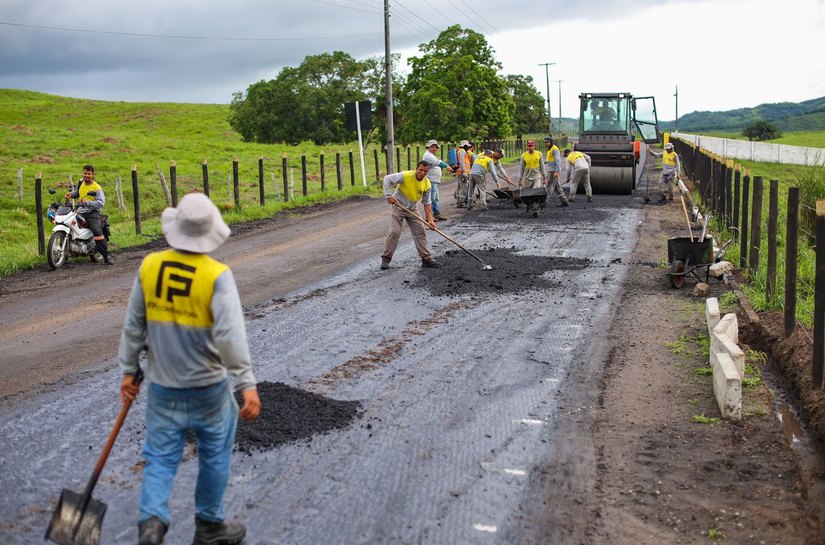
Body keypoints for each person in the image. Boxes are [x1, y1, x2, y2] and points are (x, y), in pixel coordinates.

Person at [118, 192, 261, 545]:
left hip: (163, 388)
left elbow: (134, 325)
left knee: (160, 458)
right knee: (214, 455)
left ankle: (151, 525)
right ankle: (210, 527)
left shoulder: (149, 266)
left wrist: (127, 369)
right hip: (208, 390)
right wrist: (246, 382)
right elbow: (230, 336)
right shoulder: (217, 276)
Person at [380, 161, 442, 270]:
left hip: (412, 209)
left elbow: (427, 203)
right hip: (398, 206)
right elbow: (387, 179)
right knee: (394, 232)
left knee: (420, 231)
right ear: (417, 169)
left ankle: (426, 258)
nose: (422, 173)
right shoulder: (406, 176)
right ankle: (386, 259)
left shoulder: (427, 184)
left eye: (425, 171)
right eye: (421, 170)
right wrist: (388, 196)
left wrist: (431, 220)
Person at [64, 164, 114, 264]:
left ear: (93, 174)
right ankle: (68, 250)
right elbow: (78, 193)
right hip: (80, 210)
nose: (86, 175)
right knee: (69, 224)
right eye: (85, 173)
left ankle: (106, 256)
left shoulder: (97, 187)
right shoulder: (81, 181)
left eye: (89, 174)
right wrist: (71, 195)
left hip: (93, 212)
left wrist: (87, 203)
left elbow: (101, 203)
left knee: (97, 232)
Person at [421, 139, 454, 221]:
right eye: (433, 146)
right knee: (431, 198)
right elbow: (438, 162)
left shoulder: (431, 155)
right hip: (431, 180)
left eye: (436, 147)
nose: (435, 148)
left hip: (434, 180)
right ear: (428, 147)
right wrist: (447, 166)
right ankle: (429, 216)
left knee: (435, 198)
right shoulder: (428, 156)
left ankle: (436, 214)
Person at [544, 136, 569, 206]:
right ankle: (565, 202)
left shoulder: (555, 149)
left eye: (547, 142)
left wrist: (557, 171)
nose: (546, 144)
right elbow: (552, 159)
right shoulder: (550, 149)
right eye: (545, 142)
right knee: (557, 187)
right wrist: (547, 162)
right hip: (551, 170)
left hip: (553, 171)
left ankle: (545, 202)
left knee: (549, 185)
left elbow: (558, 160)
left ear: (551, 142)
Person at [454, 140, 475, 208]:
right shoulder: (462, 151)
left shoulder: (460, 151)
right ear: (465, 146)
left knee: (460, 187)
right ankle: (460, 203)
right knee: (464, 187)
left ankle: (459, 201)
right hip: (462, 172)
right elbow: (462, 162)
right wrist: (464, 172)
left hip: (460, 171)